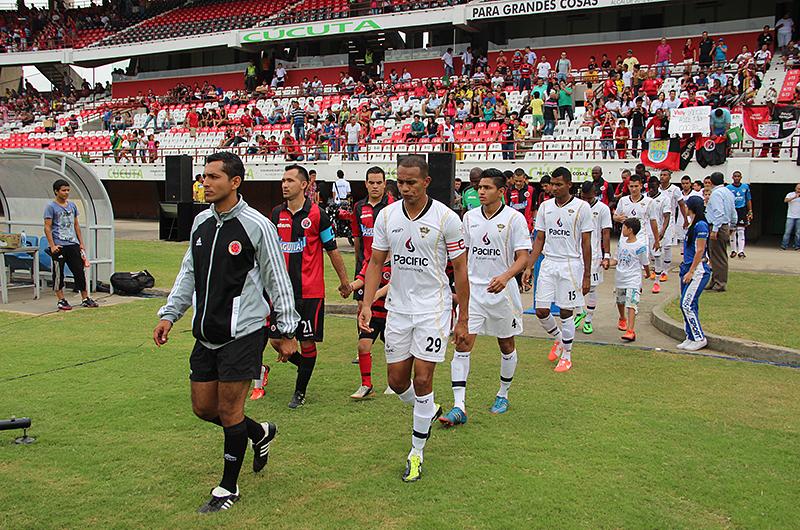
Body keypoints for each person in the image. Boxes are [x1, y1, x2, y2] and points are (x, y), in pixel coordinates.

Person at [153, 152, 298, 513]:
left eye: (214, 177)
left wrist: (287, 329)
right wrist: (170, 314)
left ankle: (227, 489)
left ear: (235, 182)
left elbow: (276, 279)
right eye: (204, 177)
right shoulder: (201, 222)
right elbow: (189, 273)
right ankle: (259, 432)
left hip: (244, 332)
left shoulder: (256, 225)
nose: (206, 183)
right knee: (204, 408)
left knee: (230, 409)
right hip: (205, 332)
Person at [359, 155, 469, 482]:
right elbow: (376, 262)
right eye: (401, 182)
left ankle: (416, 452)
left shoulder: (447, 218)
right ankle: (429, 410)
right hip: (398, 309)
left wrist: (462, 318)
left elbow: (461, 270)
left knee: (423, 380)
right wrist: (366, 303)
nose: (405, 188)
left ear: (426, 182)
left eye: (411, 182)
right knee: (396, 382)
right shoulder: (387, 216)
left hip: (433, 309)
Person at [439, 169, 531, 426]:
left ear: (501, 192)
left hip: (503, 294)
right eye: (479, 187)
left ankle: (503, 394)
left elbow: (523, 257)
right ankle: (459, 406)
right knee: (462, 342)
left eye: (487, 188)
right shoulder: (468, 218)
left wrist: (505, 276)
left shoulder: (514, 219)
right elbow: (462, 257)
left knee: (506, 345)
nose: (481, 191)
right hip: (474, 293)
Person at [271, 165, 352, 408]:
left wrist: (345, 282)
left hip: (310, 291)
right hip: (281, 292)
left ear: (304, 185)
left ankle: (300, 391)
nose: (285, 185)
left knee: (307, 343)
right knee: (276, 340)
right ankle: (305, 366)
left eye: (290, 181)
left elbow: (332, 250)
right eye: (283, 180)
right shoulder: (276, 214)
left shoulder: (319, 215)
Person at [530, 167, 592, 373]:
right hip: (549, 262)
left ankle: (567, 355)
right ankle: (559, 340)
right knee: (541, 310)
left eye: (558, 184)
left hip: (570, 263)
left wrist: (586, 275)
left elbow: (586, 243)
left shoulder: (582, 207)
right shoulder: (546, 206)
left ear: (569, 185)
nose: (554, 188)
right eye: (552, 184)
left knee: (566, 311)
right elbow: (540, 237)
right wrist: (529, 266)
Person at [44, 179, 98, 311]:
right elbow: (47, 227)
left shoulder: (72, 206)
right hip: (59, 246)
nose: (66, 193)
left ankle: (85, 298)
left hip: (72, 243)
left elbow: (76, 225)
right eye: (63, 190)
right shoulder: (51, 207)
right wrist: (52, 245)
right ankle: (61, 300)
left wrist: (81, 243)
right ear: (56, 191)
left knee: (79, 271)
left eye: (68, 190)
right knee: (59, 274)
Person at [574, 181, 612, 335]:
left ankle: (588, 320)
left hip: (594, 255)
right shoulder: (577, 207)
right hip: (576, 254)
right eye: (583, 198)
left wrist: (607, 255)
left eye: (589, 198)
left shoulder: (602, 209)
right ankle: (579, 312)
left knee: (592, 287)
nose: (586, 201)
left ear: (595, 194)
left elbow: (606, 233)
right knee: (575, 285)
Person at [677, 196, 713, 351]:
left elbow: (700, 250)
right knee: (687, 303)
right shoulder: (693, 224)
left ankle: (699, 337)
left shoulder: (701, 226)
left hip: (697, 271)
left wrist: (691, 271)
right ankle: (690, 336)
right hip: (687, 267)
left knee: (687, 304)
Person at [611, 218, 650, 342]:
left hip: (633, 279)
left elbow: (645, 263)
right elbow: (616, 258)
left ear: (630, 230)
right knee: (620, 301)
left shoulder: (640, 246)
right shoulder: (621, 243)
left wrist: (648, 273)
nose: (622, 230)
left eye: (624, 227)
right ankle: (622, 317)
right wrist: (606, 262)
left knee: (631, 303)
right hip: (620, 278)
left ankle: (630, 330)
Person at [705, 172, 737, 292]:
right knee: (714, 255)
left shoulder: (716, 194)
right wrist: (733, 224)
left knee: (718, 256)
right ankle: (715, 280)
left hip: (718, 225)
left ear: (712, 182)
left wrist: (715, 230)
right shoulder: (728, 192)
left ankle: (720, 282)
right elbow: (733, 211)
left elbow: (719, 213)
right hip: (724, 225)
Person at [646, 176, 673, 294]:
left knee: (657, 255)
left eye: (653, 188)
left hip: (656, 232)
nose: (650, 190)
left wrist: (662, 231)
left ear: (658, 186)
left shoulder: (664, 199)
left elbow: (667, 216)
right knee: (643, 257)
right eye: (649, 188)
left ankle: (657, 282)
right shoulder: (644, 198)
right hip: (643, 232)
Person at [726, 171, 752, 259]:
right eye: (735, 176)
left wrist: (750, 211)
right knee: (732, 231)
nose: (736, 178)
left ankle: (741, 251)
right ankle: (733, 250)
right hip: (732, 210)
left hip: (742, 210)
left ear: (741, 177)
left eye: (738, 176)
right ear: (732, 177)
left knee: (741, 230)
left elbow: (748, 199)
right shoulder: (728, 188)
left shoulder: (745, 187)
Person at [781, 183, 800, 250]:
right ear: (795, 188)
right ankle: (784, 246)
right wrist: (795, 197)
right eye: (798, 188)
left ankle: (797, 246)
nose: (799, 190)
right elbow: (785, 200)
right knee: (787, 232)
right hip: (790, 216)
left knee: (798, 233)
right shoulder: (790, 194)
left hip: (799, 217)